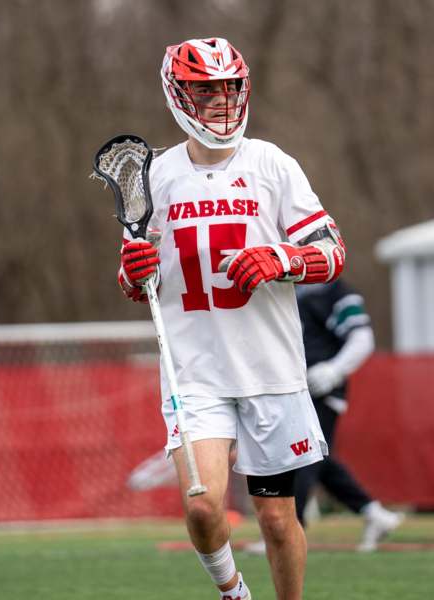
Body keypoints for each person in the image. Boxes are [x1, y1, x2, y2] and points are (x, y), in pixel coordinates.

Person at [117, 38, 346, 600]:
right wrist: (131, 270)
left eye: (229, 88)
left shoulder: (271, 164)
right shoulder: (157, 176)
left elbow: (333, 250)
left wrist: (281, 259)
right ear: (178, 94)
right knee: (201, 506)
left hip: (269, 368)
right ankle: (234, 593)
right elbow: (136, 280)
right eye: (206, 89)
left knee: (275, 518)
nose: (221, 101)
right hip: (196, 371)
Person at [245, 280, 404, 555]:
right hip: (292, 385)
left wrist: (334, 370)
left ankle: (290, 527)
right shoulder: (289, 286)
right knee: (316, 457)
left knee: (302, 455)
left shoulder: (334, 291)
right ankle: (373, 513)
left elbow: (362, 338)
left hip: (318, 386)